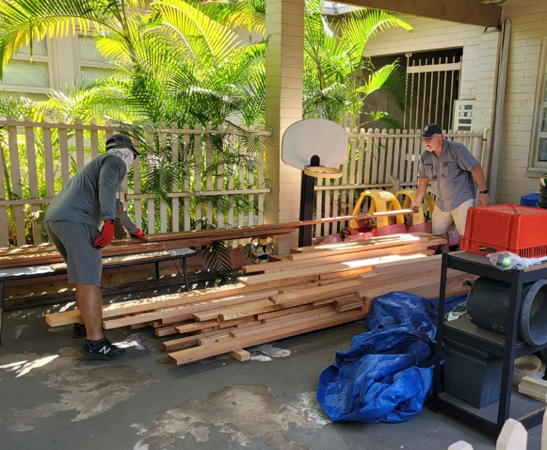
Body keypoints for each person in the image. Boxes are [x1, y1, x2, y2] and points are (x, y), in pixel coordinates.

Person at [44, 133, 145, 360]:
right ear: (128, 152)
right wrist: (108, 222)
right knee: (90, 280)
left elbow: (115, 204)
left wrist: (134, 230)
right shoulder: (115, 160)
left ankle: (86, 323)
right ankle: (96, 341)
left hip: (57, 219)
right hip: (76, 220)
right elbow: (107, 187)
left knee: (83, 278)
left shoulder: (94, 167)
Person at [410, 124, 489, 248]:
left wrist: (484, 192)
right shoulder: (425, 156)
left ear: (440, 137)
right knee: (438, 235)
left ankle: (462, 260)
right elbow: (423, 179)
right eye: (424, 139)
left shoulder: (457, 150)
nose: (426, 142)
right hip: (441, 201)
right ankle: (444, 259)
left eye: (429, 138)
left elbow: (476, 168)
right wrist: (418, 200)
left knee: (465, 235)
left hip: (462, 199)